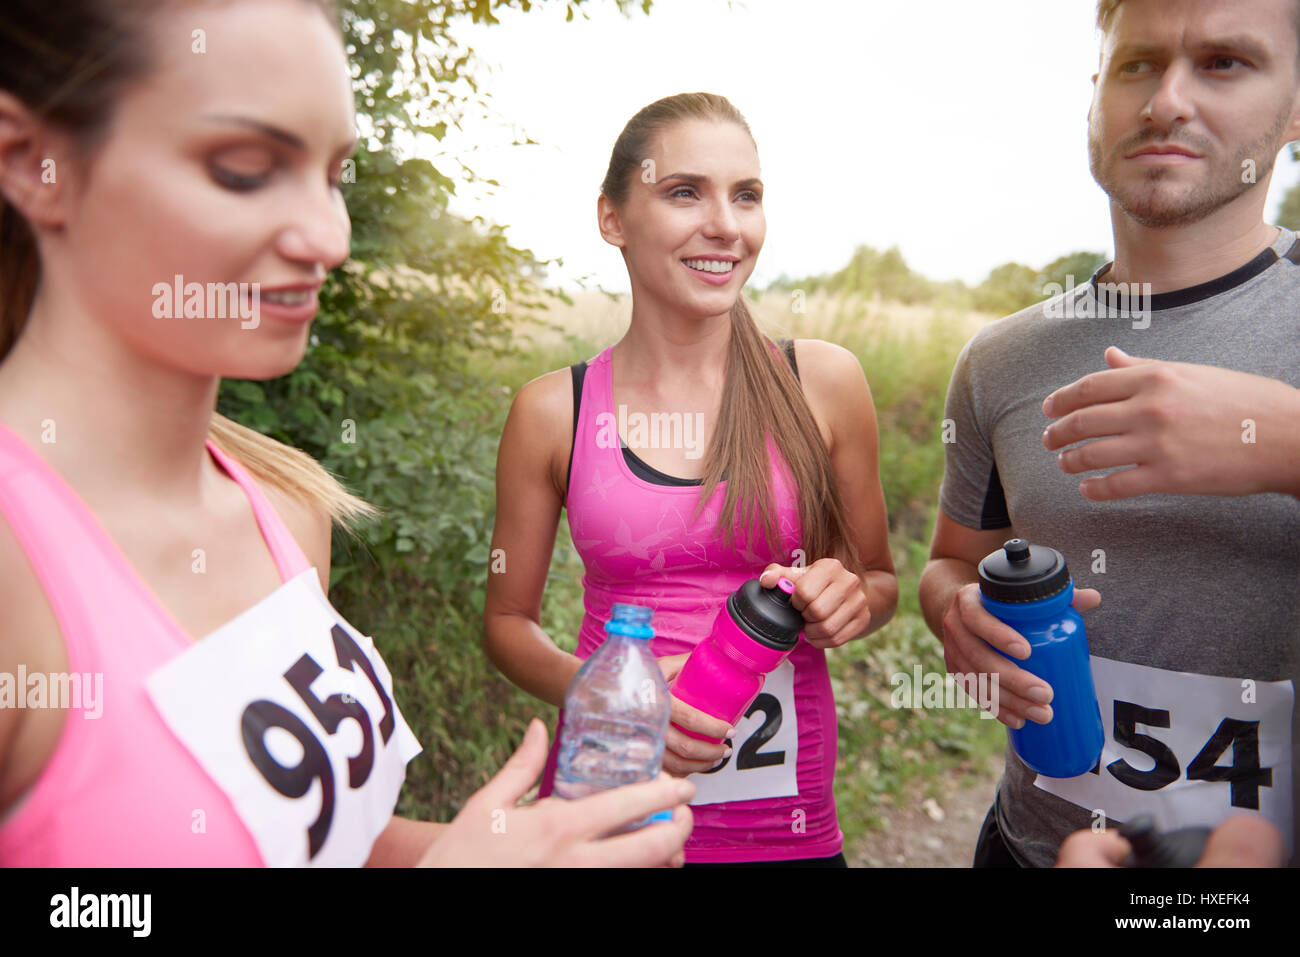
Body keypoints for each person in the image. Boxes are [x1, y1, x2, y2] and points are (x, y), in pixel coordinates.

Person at [0, 0, 693, 867]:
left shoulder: (286, 510)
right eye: (245, 168)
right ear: (36, 165)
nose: (329, 237)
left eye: (333, 176)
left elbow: (313, 846)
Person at [920, 0, 1300, 868]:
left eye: (1224, 63)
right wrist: (955, 612)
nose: (1166, 100)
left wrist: (1282, 440)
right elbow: (950, 561)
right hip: (1027, 848)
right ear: (1096, 96)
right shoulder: (1000, 359)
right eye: (1136, 65)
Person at [484, 92, 899, 866]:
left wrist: (847, 599)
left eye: (746, 196)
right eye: (685, 192)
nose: (727, 226)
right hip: (607, 820)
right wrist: (613, 692)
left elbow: (877, 581)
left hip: (788, 834)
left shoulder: (823, 381)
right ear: (612, 218)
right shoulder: (553, 411)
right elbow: (507, 622)